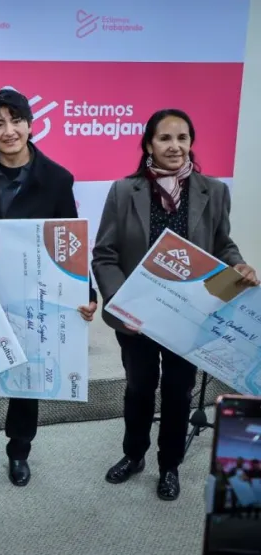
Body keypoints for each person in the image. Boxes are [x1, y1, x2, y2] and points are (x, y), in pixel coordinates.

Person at [92, 108, 259, 501]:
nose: (175, 146)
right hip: (138, 318)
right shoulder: (123, 190)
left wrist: (238, 265)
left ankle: (169, 466)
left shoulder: (214, 191)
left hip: (188, 317)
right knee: (138, 389)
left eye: (182, 138)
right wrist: (120, 305)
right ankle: (133, 456)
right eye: (165, 138)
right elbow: (104, 255)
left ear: (190, 143)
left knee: (179, 392)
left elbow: (223, 245)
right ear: (149, 144)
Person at [0, 88, 98, 487]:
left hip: (34, 295)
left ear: (31, 125)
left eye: (16, 120)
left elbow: (70, 241)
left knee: (26, 377)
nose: (9, 130)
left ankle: (19, 451)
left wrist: (86, 293)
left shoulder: (56, 178)